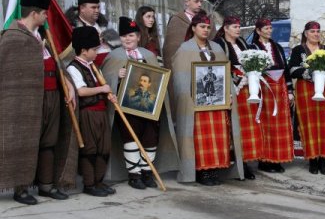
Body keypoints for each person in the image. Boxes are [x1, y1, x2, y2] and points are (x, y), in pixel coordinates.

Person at [0, 0, 78, 205]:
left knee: (49, 143)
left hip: (52, 98)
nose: (46, 17)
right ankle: (21, 188)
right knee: (26, 140)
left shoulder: (46, 38)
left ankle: (46, 185)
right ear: (34, 13)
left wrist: (69, 85)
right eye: (44, 13)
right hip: (27, 102)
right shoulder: (12, 38)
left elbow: (59, 66)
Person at [101, 16, 178, 190]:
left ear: (138, 36)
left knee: (150, 139)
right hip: (127, 107)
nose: (127, 39)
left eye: (131, 35)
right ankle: (134, 175)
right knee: (131, 140)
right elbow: (104, 78)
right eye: (124, 36)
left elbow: (159, 80)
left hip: (149, 107)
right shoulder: (114, 56)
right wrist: (116, 76)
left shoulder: (149, 55)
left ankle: (146, 172)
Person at [171, 14, 235, 186]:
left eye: (208, 27)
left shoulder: (217, 48)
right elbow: (180, 78)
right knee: (200, 137)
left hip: (216, 102)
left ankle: (214, 169)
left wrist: (229, 92)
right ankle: (201, 171)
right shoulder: (184, 49)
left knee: (218, 136)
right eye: (202, 27)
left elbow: (225, 73)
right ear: (193, 28)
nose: (205, 30)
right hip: (196, 104)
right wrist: (189, 96)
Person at [66, 26, 117, 197]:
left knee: (104, 148)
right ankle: (89, 184)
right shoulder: (73, 67)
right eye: (94, 49)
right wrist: (102, 89)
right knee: (90, 149)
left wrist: (109, 95)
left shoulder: (93, 66)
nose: (97, 52)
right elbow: (81, 91)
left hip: (101, 111)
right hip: (88, 113)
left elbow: (102, 87)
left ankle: (99, 181)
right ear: (83, 50)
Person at [289, 21, 325, 175]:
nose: (316, 34)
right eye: (312, 31)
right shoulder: (299, 50)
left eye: (318, 31)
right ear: (306, 34)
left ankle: (323, 161)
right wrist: (310, 74)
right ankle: (312, 160)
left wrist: (324, 73)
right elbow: (292, 69)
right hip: (306, 92)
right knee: (309, 123)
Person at [213, 15, 262, 180]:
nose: (238, 29)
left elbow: (250, 60)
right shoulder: (219, 44)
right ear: (226, 28)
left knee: (247, 126)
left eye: (239, 27)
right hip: (233, 89)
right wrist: (236, 79)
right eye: (234, 27)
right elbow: (219, 66)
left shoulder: (242, 42)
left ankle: (246, 162)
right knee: (234, 125)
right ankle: (234, 161)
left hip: (247, 89)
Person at [250, 18, 294, 174]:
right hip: (264, 89)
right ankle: (265, 160)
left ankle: (278, 158)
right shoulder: (253, 47)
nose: (269, 31)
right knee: (266, 125)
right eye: (266, 28)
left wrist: (289, 91)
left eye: (270, 28)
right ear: (258, 31)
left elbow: (286, 69)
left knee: (280, 126)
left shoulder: (277, 47)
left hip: (280, 89)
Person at [163, 0, 215, 71]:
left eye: (201, 2)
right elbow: (170, 51)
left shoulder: (208, 20)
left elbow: (215, 44)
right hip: (184, 69)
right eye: (196, 1)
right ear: (187, 2)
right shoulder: (177, 21)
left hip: (206, 67)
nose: (199, 4)